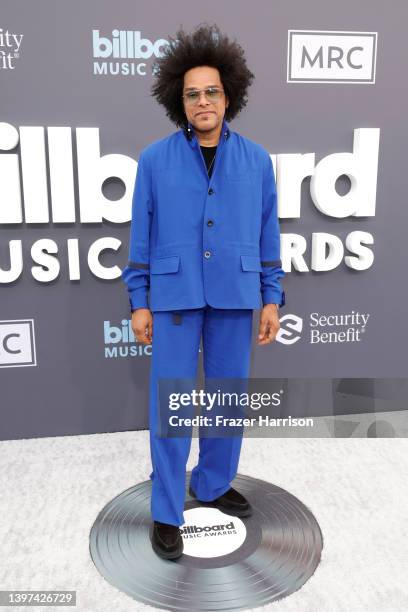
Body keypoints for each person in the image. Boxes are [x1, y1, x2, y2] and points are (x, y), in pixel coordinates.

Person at [121, 23, 285, 560]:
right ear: (179, 101)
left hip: (237, 296)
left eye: (211, 91)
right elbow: (140, 235)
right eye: (192, 93)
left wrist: (271, 296)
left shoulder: (257, 160)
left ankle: (212, 483)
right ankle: (168, 509)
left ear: (229, 95)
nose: (203, 101)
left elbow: (268, 234)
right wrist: (139, 299)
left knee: (226, 402)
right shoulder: (153, 159)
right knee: (171, 405)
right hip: (172, 297)